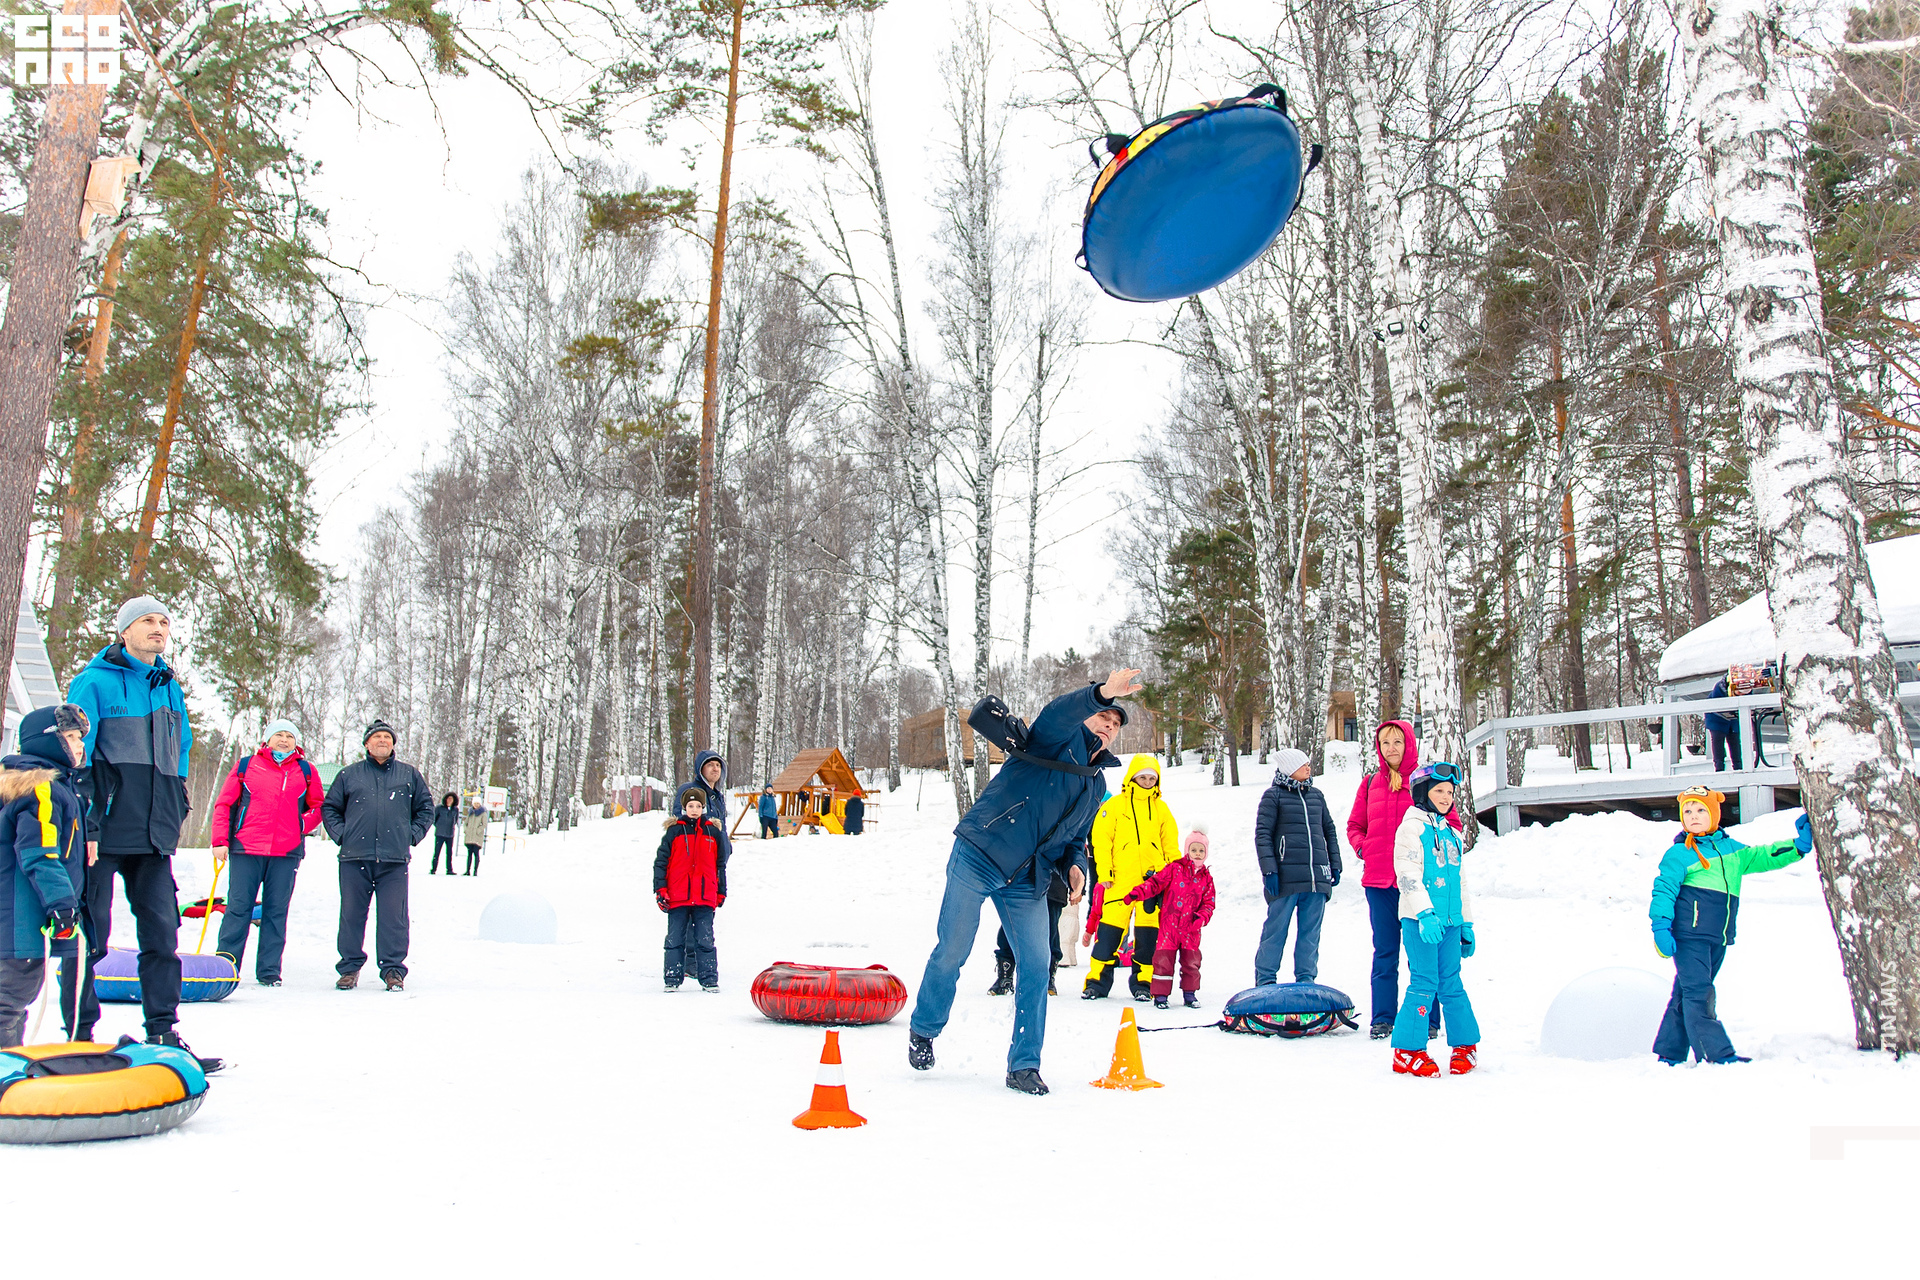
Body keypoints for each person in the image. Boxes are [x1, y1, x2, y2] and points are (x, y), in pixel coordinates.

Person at [909, 669, 1137, 1096]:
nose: (1110, 725)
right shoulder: (1055, 737)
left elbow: (1076, 836)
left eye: (1117, 724)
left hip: (1026, 876)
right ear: (1087, 717)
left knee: (1036, 965)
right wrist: (1103, 692)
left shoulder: (1097, 783)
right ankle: (923, 1029)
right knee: (953, 948)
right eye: (1105, 716)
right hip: (980, 853)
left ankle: (1024, 1065)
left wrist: (1075, 865)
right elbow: (1057, 711)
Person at [66, 596, 210, 1060]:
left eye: (164, 621)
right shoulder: (92, 681)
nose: (158, 628)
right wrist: (86, 821)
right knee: (91, 936)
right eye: (147, 620)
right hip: (102, 833)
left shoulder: (168, 686)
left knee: (162, 935)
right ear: (124, 630)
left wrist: (179, 800)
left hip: (153, 835)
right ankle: (79, 1039)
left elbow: (181, 747)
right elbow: (75, 753)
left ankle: (163, 1033)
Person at [1649, 786, 1809, 1064]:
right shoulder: (1679, 853)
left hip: (1718, 936)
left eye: (1700, 810)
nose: (1694, 816)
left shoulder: (1731, 850)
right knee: (1700, 993)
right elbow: (1663, 890)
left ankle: (1670, 1052)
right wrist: (1660, 926)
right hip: (1689, 936)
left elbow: (1762, 856)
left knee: (1686, 991)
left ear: (1714, 814)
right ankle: (1717, 1054)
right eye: (1687, 811)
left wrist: (1797, 847)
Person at [1347, 719, 1458, 1039]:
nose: (1391, 748)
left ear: (1409, 743)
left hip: (1419, 888)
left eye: (1397, 742)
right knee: (1385, 953)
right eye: (1385, 743)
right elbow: (1355, 825)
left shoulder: (1425, 781)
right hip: (1380, 882)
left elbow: (1452, 825)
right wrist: (1364, 848)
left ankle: (1429, 1019)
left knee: (1424, 955)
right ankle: (1383, 1018)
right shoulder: (1370, 784)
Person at [0, 705, 92, 1047]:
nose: (79, 744)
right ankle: (6, 1083)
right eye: (69, 737)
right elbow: (40, 852)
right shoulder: (39, 787)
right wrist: (62, 904)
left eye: (80, 737)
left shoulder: (33, 783)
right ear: (47, 741)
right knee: (10, 1000)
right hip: (20, 918)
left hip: (12, 917)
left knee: (12, 1001)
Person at [209, 719, 322, 986]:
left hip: (286, 852)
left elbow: (318, 806)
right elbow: (224, 804)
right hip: (247, 848)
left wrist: (301, 825)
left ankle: (269, 972)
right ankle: (226, 966)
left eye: (289, 736)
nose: (284, 740)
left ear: (296, 743)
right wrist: (219, 841)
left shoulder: (305, 770)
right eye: (279, 735)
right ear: (267, 740)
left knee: (275, 911)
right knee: (238, 909)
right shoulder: (247, 765)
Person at [323, 720, 431, 992]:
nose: (382, 740)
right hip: (354, 858)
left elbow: (426, 809)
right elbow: (330, 809)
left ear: (393, 744)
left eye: (387, 737)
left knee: (394, 918)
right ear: (367, 744)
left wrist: (410, 835)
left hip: (393, 861)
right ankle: (349, 968)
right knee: (351, 915)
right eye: (377, 737)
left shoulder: (409, 775)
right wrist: (343, 835)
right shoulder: (349, 775)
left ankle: (393, 970)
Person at [1389, 762, 1480, 1077]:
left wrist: (1466, 923)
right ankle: (1407, 1050)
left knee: (1452, 984)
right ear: (1422, 792)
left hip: (1451, 922)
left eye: (1450, 792)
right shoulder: (1411, 828)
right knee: (1424, 982)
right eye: (1439, 790)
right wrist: (1424, 914)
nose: (1445, 797)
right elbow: (1407, 875)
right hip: (1420, 922)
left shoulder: (1452, 832)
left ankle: (1465, 1045)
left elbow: (1461, 882)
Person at [1082, 753, 1178, 1002]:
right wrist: (1105, 873)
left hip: (1152, 885)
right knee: (1109, 936)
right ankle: (1096, 983)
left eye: (1151, 778)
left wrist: (1171, 877)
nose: (1147, 781)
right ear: (1132, 777)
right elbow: (1100, 842)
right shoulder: (1114, 806)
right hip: (1119, 883)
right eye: (1142, 777)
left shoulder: (1162, 809)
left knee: (1148, 939)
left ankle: (1143, 984)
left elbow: (1171, 847)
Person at [1253, 747, 1342, 986]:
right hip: (1285, 878)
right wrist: (1269, 870)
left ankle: (1306, 979)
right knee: (1276, 931)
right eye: (1303, 765)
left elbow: (1329, 830)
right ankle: (1265, 979)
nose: (1308, 768)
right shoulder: (1273, 796)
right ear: (1291, 769)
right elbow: (1263, 834)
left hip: (1316, 878)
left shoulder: (1316, 796)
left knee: (1310, 934)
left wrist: (1335, 864)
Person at [1124, 824, 1216, 1010]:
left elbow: (1209, 903)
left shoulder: (1207, 878)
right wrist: (1137, 893)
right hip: (1169, 926)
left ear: (1205, 853)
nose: (1197, 854)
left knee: (1191, 963)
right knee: (1163, 962)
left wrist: (1201, 917)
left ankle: (1190, 995)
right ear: (1187, 850)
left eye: (1201, 850)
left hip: (1191, 929)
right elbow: (1155, 883)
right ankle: (1160, 995)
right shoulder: (1175, 869)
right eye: (1193, 849)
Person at [987, 840, 1087, 997]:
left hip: (1055, 875)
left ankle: (1048, 977)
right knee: (1012, 924)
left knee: (1051, 928)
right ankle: (1005, 975)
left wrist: (1078, 882)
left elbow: (1077, 844)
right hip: (1022, 873)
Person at [655, 783, 728, 992]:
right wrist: (661, 891)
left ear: (703, 808)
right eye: (690, 806)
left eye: (698, 806)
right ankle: (672, 978)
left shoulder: (712, 832)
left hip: (705, 896)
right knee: (675, 938)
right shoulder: (674, 831)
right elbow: (661, 863)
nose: (694, 810)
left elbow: (719, 865)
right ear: (684, 808)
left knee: (705, 939)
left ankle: (709, 979)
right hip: (677, 896)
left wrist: (720, 891)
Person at [1705, 676, 1746, 772]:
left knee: (1735, 742)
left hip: (1732, 719)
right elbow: (1716, 702)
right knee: (1718, 742)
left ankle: (1738, 767)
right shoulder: (1720, 688)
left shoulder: (1746, 687)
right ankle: (1719, 768)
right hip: (1716, 718)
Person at [430, 793, 460, 874]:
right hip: (440, 833)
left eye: (451, 799)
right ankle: (433, 869)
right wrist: (439, 826)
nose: (450, 800)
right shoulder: (439, 808)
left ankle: (449, 869)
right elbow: (434, 819)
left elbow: (456, 820)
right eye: (448, 798)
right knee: (437, 852)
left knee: (449, 853)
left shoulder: (455, 809)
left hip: (450, 834)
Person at [461, 796, 487, 875]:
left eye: (478, 803)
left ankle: (475, 871)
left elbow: (484, 824)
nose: (476, 805)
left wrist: (478, 831)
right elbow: (465, 823)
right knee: (469, 854)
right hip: (469, 836)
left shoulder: (483, 813)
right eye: (475, 803)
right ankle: (467, 870)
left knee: (476, 853)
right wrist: (466, 830)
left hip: (477, 837)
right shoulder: (470, 812)